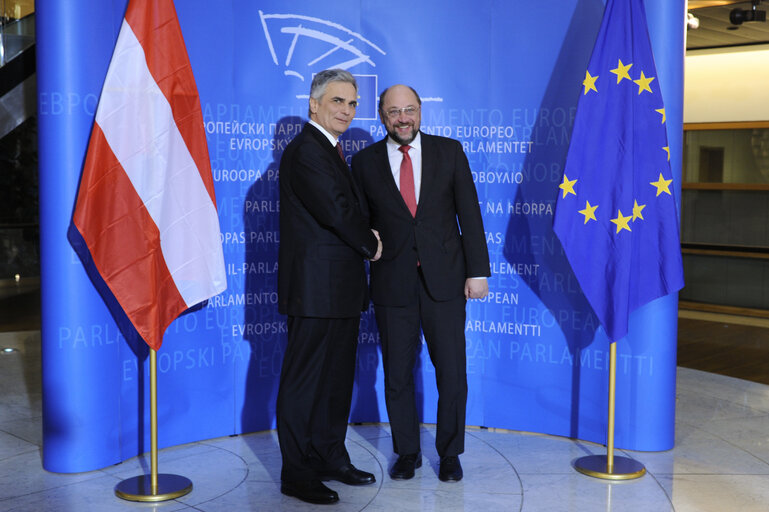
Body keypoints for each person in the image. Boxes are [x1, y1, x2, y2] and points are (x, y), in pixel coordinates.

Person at [351, 84, 490, 483]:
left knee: (452, 372)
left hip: (445, 282)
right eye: (394, 111)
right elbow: (361, 222)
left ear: (421, 112)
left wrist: (477, 272)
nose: (402, 118)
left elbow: (470, 213)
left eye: (409, 109)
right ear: (382, 116)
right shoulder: (364, 163)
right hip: (393, 285)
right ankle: (407, 452)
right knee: (396, 375)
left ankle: (450, 454)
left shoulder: (450, 151)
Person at [277, 69, 382, 505]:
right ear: (314, 104)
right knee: (304, 383)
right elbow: (336, 211)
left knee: (336, 381)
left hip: (339, 290)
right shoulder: (306, 151)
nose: (346, 110)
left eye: (353, 103)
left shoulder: (332, 150)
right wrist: (371, 243)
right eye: (337, 101)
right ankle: (297, 472)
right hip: (315, 290)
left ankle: (329, 456)